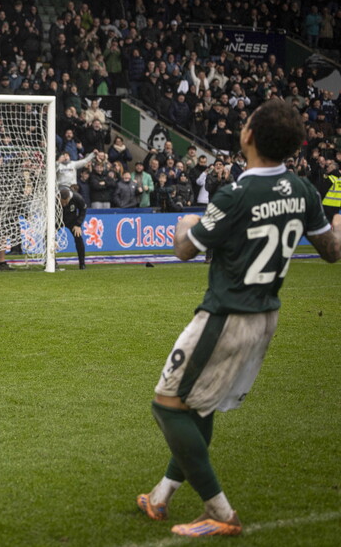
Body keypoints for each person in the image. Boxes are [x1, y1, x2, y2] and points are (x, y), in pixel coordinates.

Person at [137, 99, 341, 537]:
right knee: (201, 403)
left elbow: (184, 249)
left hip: (226, 315)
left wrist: (186, 221)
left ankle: (220, 512)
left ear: (247, 135)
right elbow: (331, 251)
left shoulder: (236, 194)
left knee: (167, 405)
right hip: (265, 316)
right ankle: (161, 497)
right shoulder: (304, 189)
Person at [58, 186, 86, 269]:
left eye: (65, 203)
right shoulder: (53, 199)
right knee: (48, 238)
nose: (64, 204)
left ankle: (82, 263)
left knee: (78, 238)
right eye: (62, 203)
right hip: (57, 220)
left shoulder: (77, 197)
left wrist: (78, 224)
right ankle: (51, 263)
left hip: (72, 221)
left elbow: (83, 210)